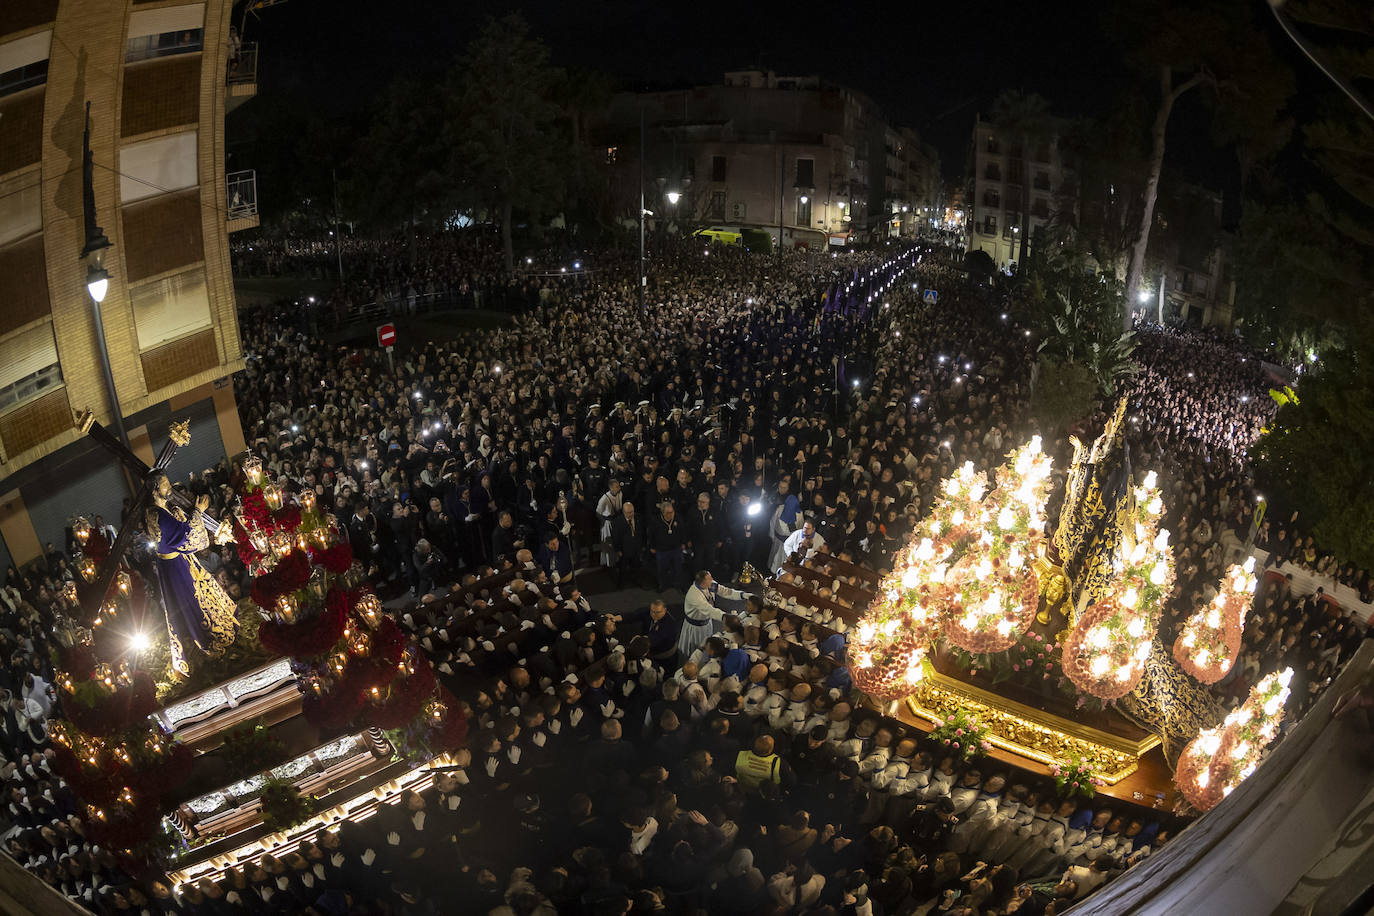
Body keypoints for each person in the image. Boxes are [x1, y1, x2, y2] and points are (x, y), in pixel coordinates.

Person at [676, 570, 743, 659]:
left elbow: (724, 591)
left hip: (707, 622)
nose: (712, 579)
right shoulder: (694, 595)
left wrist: (743, 595)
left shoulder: (710, 585)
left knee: (707, 643)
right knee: (696, 648)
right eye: (709, 579)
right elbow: (709, 610)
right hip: (695, 627)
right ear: (703, 582)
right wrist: (724, 616)